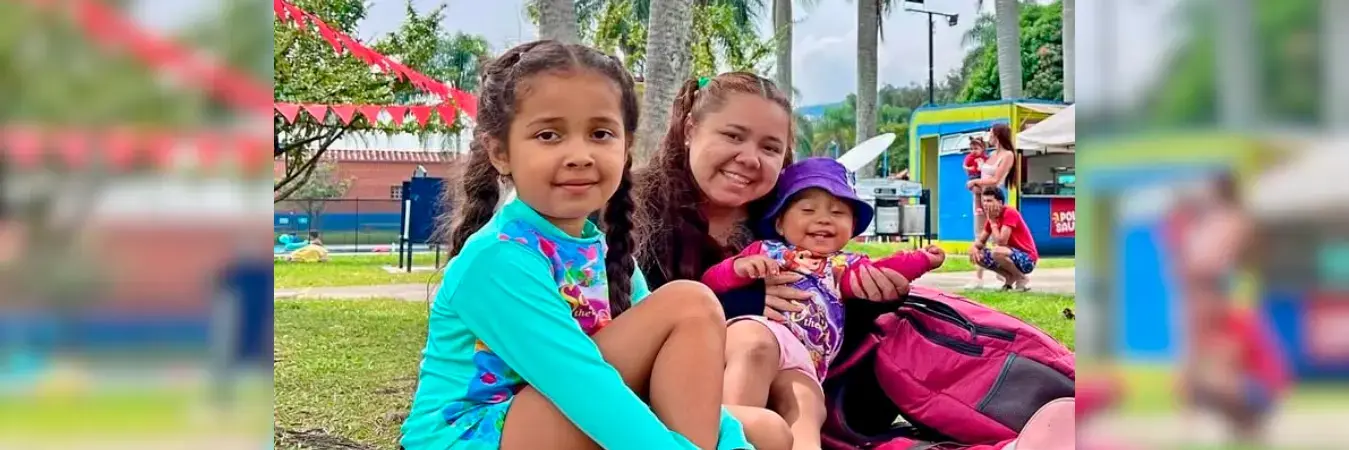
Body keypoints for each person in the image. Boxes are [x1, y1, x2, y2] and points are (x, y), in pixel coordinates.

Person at [401, 41, 789, 450]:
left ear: (625, 150)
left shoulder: (604, 251)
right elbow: (583, 385)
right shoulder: (498, 258)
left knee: (768, 432)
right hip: (475, 434)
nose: (580, 155)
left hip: (560, 411)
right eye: (549, 135)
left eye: (600, 133)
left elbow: (656, 378)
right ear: (500, 152)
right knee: (690, 304)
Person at [632, 73, 911, 326]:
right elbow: (614, 327)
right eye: (733, 136)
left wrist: (867, 300)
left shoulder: (793, 221)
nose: (750, 159)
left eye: (769, 147)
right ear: (690, 130)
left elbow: (821, 342)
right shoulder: (630, 210)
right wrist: (736, 307)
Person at [700, 158, 943, 449]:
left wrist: (922, 259)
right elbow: (709, 282)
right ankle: (731, 441)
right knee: (754, 352)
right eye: (808, 209)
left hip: (806, 360)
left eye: (838, 212)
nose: (824, 219)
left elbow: (877, 274)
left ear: (852, 226)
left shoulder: (845, 266)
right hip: (761, 330)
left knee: (808, 405)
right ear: (779, 221)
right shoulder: (766, 250)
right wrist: (738, 269)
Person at [1172, 174, 1287, 445]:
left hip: (1212, 283)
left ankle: (1242, 419)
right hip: (1207, 284)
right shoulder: (1218, 221)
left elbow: (1206, 260)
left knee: (1209, 371)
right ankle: (1227, 421)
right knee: (1200, 361)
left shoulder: (1229, 222)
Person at [964, 124, 1016, 289]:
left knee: (997, 237)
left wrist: (975, 181)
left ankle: (1006, 273)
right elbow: (981, 172)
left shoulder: (1007, 155)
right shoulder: (991, 154)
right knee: (979, 236)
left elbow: (995, 179)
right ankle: (978, 277)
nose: (989, 137)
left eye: (991, 134)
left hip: (994, 199)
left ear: (998, 136)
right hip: (980, 197)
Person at [968, 187, 1038, 290]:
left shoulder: (1009, 213)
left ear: (1000, 202)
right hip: (1009, 254)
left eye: (989, 201)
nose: (985, 204)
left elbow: (1001, 241)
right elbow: (981, 241)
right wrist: (974, 248)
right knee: (979, 255)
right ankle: (1009, 278)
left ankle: (1022, 278)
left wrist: (993, 223)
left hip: (1027, 259)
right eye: (984, 201)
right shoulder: (992, 218)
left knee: (997, 252)